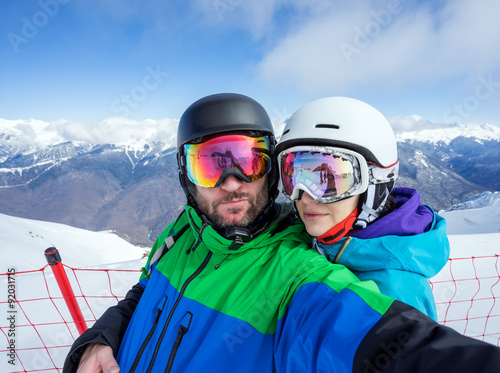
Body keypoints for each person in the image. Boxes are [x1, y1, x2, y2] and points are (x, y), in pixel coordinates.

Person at [64, 93, 500, 373]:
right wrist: (102, 338)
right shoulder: (181, 232)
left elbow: (387, 343)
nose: (231, 181)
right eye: (210, 164)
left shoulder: (296, 272)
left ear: (267, 173)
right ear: (186, 177)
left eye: (248, 161)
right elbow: (142, 296)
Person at [276, 96, 449, 320]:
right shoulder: (317, 240)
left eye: (330, 181)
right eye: (294, 176)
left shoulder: (394, 298)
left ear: (374, 186)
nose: (306, 198)